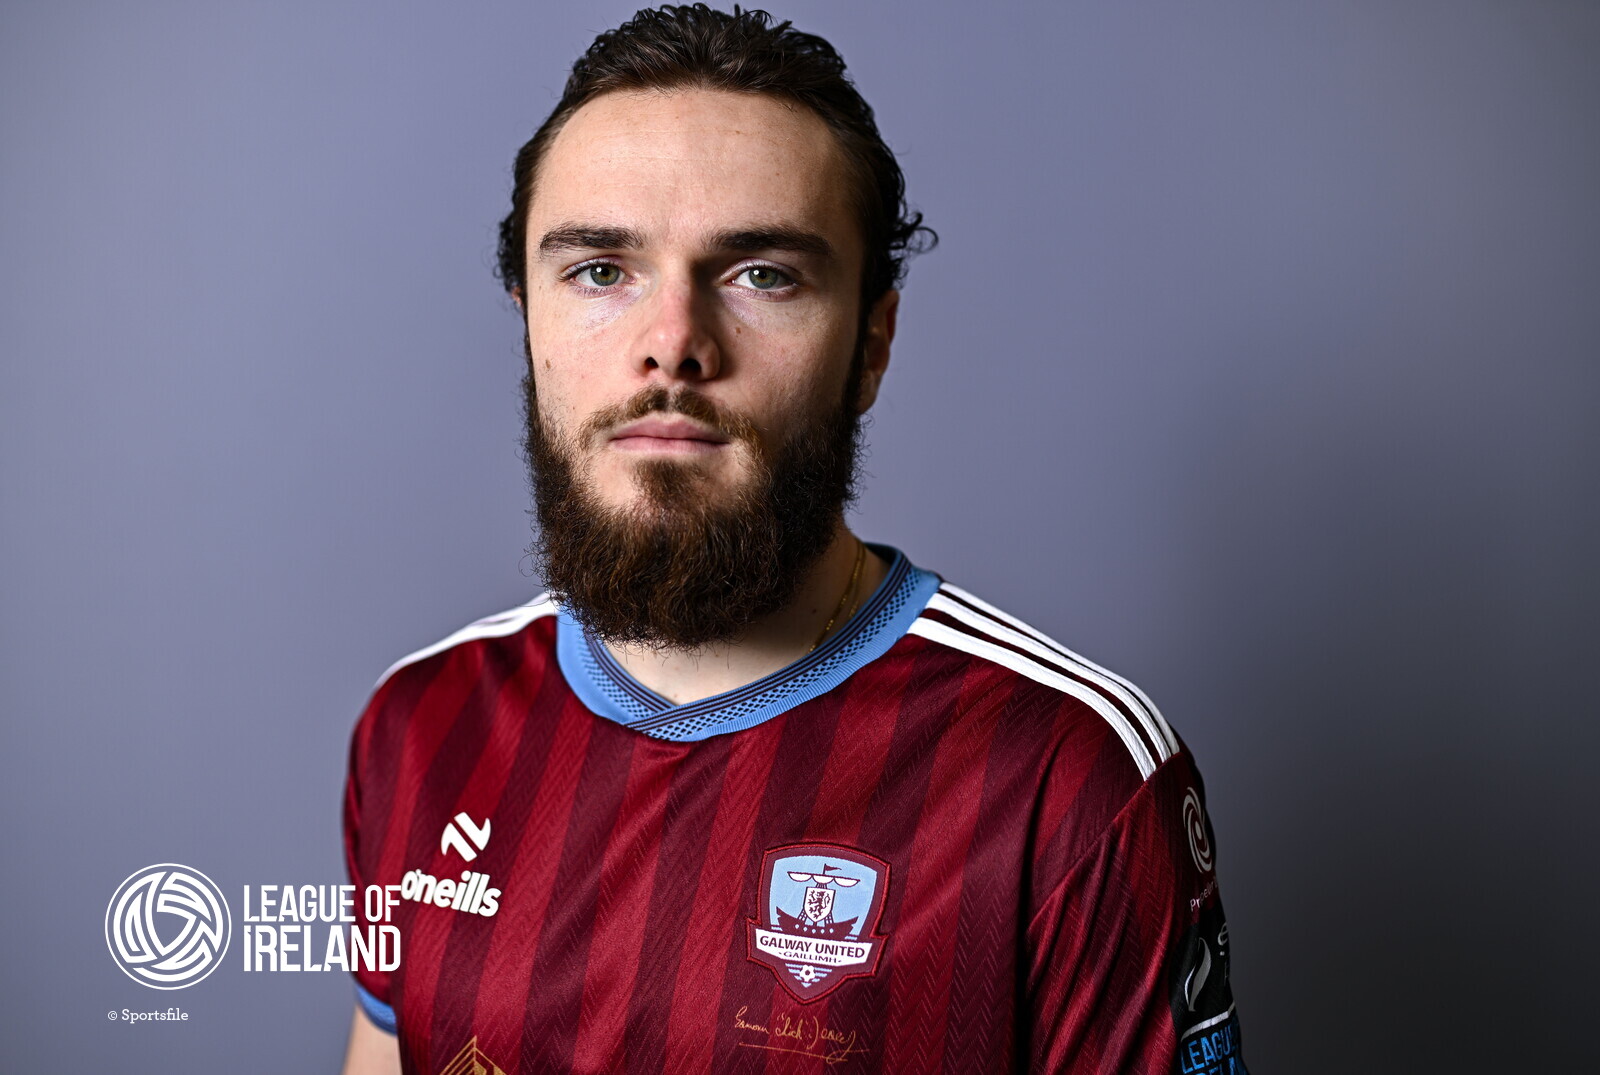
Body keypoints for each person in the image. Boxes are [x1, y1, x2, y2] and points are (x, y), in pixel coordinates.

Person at [340, 6, 1247, 1073]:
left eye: (761, 274)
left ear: (872, 345)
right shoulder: (420, 725)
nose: (672, 344)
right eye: (600, 270)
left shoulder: (1070, 778)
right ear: (528, 318)